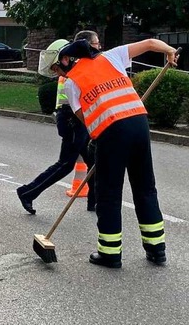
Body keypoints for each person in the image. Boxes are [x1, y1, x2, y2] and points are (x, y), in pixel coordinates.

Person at [57, 30, 177, 268]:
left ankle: (110, 253)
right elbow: (151, 43)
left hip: (111, 132)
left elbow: (85, 117)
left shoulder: (72, 83)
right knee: (145, 188)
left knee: (108, 193)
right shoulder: (111, 56)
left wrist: (98, 140)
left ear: (68, 61)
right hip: (139, 123)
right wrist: (169, 52)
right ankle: (157, 249)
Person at [16, 38, 96, 214]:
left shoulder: (74, 69)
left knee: (92, 160)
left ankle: (95, 201)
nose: (57, 71)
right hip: (72, 119)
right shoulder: (73, 73)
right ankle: (27, 192)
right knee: (66, 164)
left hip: (71, 117)